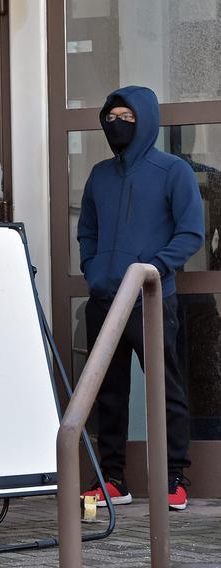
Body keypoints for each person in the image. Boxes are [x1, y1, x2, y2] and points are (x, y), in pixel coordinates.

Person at [77, 85, 204, 511]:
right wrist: (94, 271)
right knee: (106, 392)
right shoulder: (99, 175)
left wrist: (149, 271)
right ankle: (113, 479)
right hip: (104, 300)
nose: (118, 123)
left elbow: (190, 234)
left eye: (128, 117)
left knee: (164, 389)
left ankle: (173, 478)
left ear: (146, 120)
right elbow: (88, 233)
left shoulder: (173, 171)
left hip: (150, 299)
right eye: (111, 116)